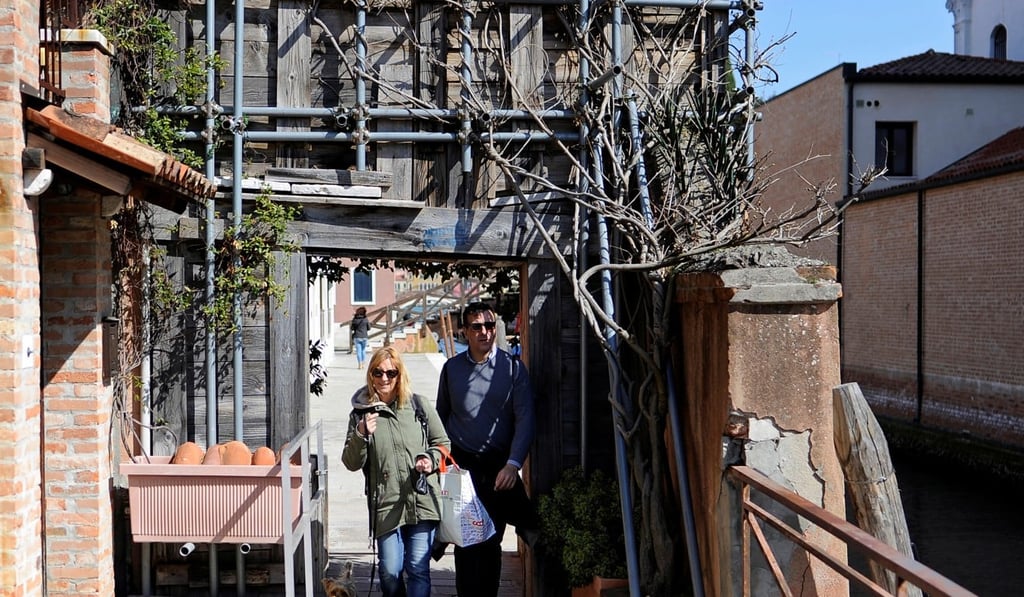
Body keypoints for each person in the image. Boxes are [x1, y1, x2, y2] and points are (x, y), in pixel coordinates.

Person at [436, 301, 540, 597]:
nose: (485, 332)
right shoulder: (451, 369)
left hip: (498, 469)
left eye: (490, 325)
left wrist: (513, 464)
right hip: (462, 469)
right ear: (464, 331)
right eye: (477, 326)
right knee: (466, 542)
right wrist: (442, 464)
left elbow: (526, 419)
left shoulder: (512, 369)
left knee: (492, 541)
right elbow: (441, 417)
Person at [342, 346, 450, 597]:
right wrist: (360, 434)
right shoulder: (360, 414)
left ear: (400, 375)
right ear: (370, 375)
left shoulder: (418, 405)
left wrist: (429, 459)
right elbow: (350, 463)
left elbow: (442, 443)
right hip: (386, 504)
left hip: (421, 501)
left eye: (391, 373)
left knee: (417, 568)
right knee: (390, 572)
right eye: (378, 373)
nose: (384, 379)